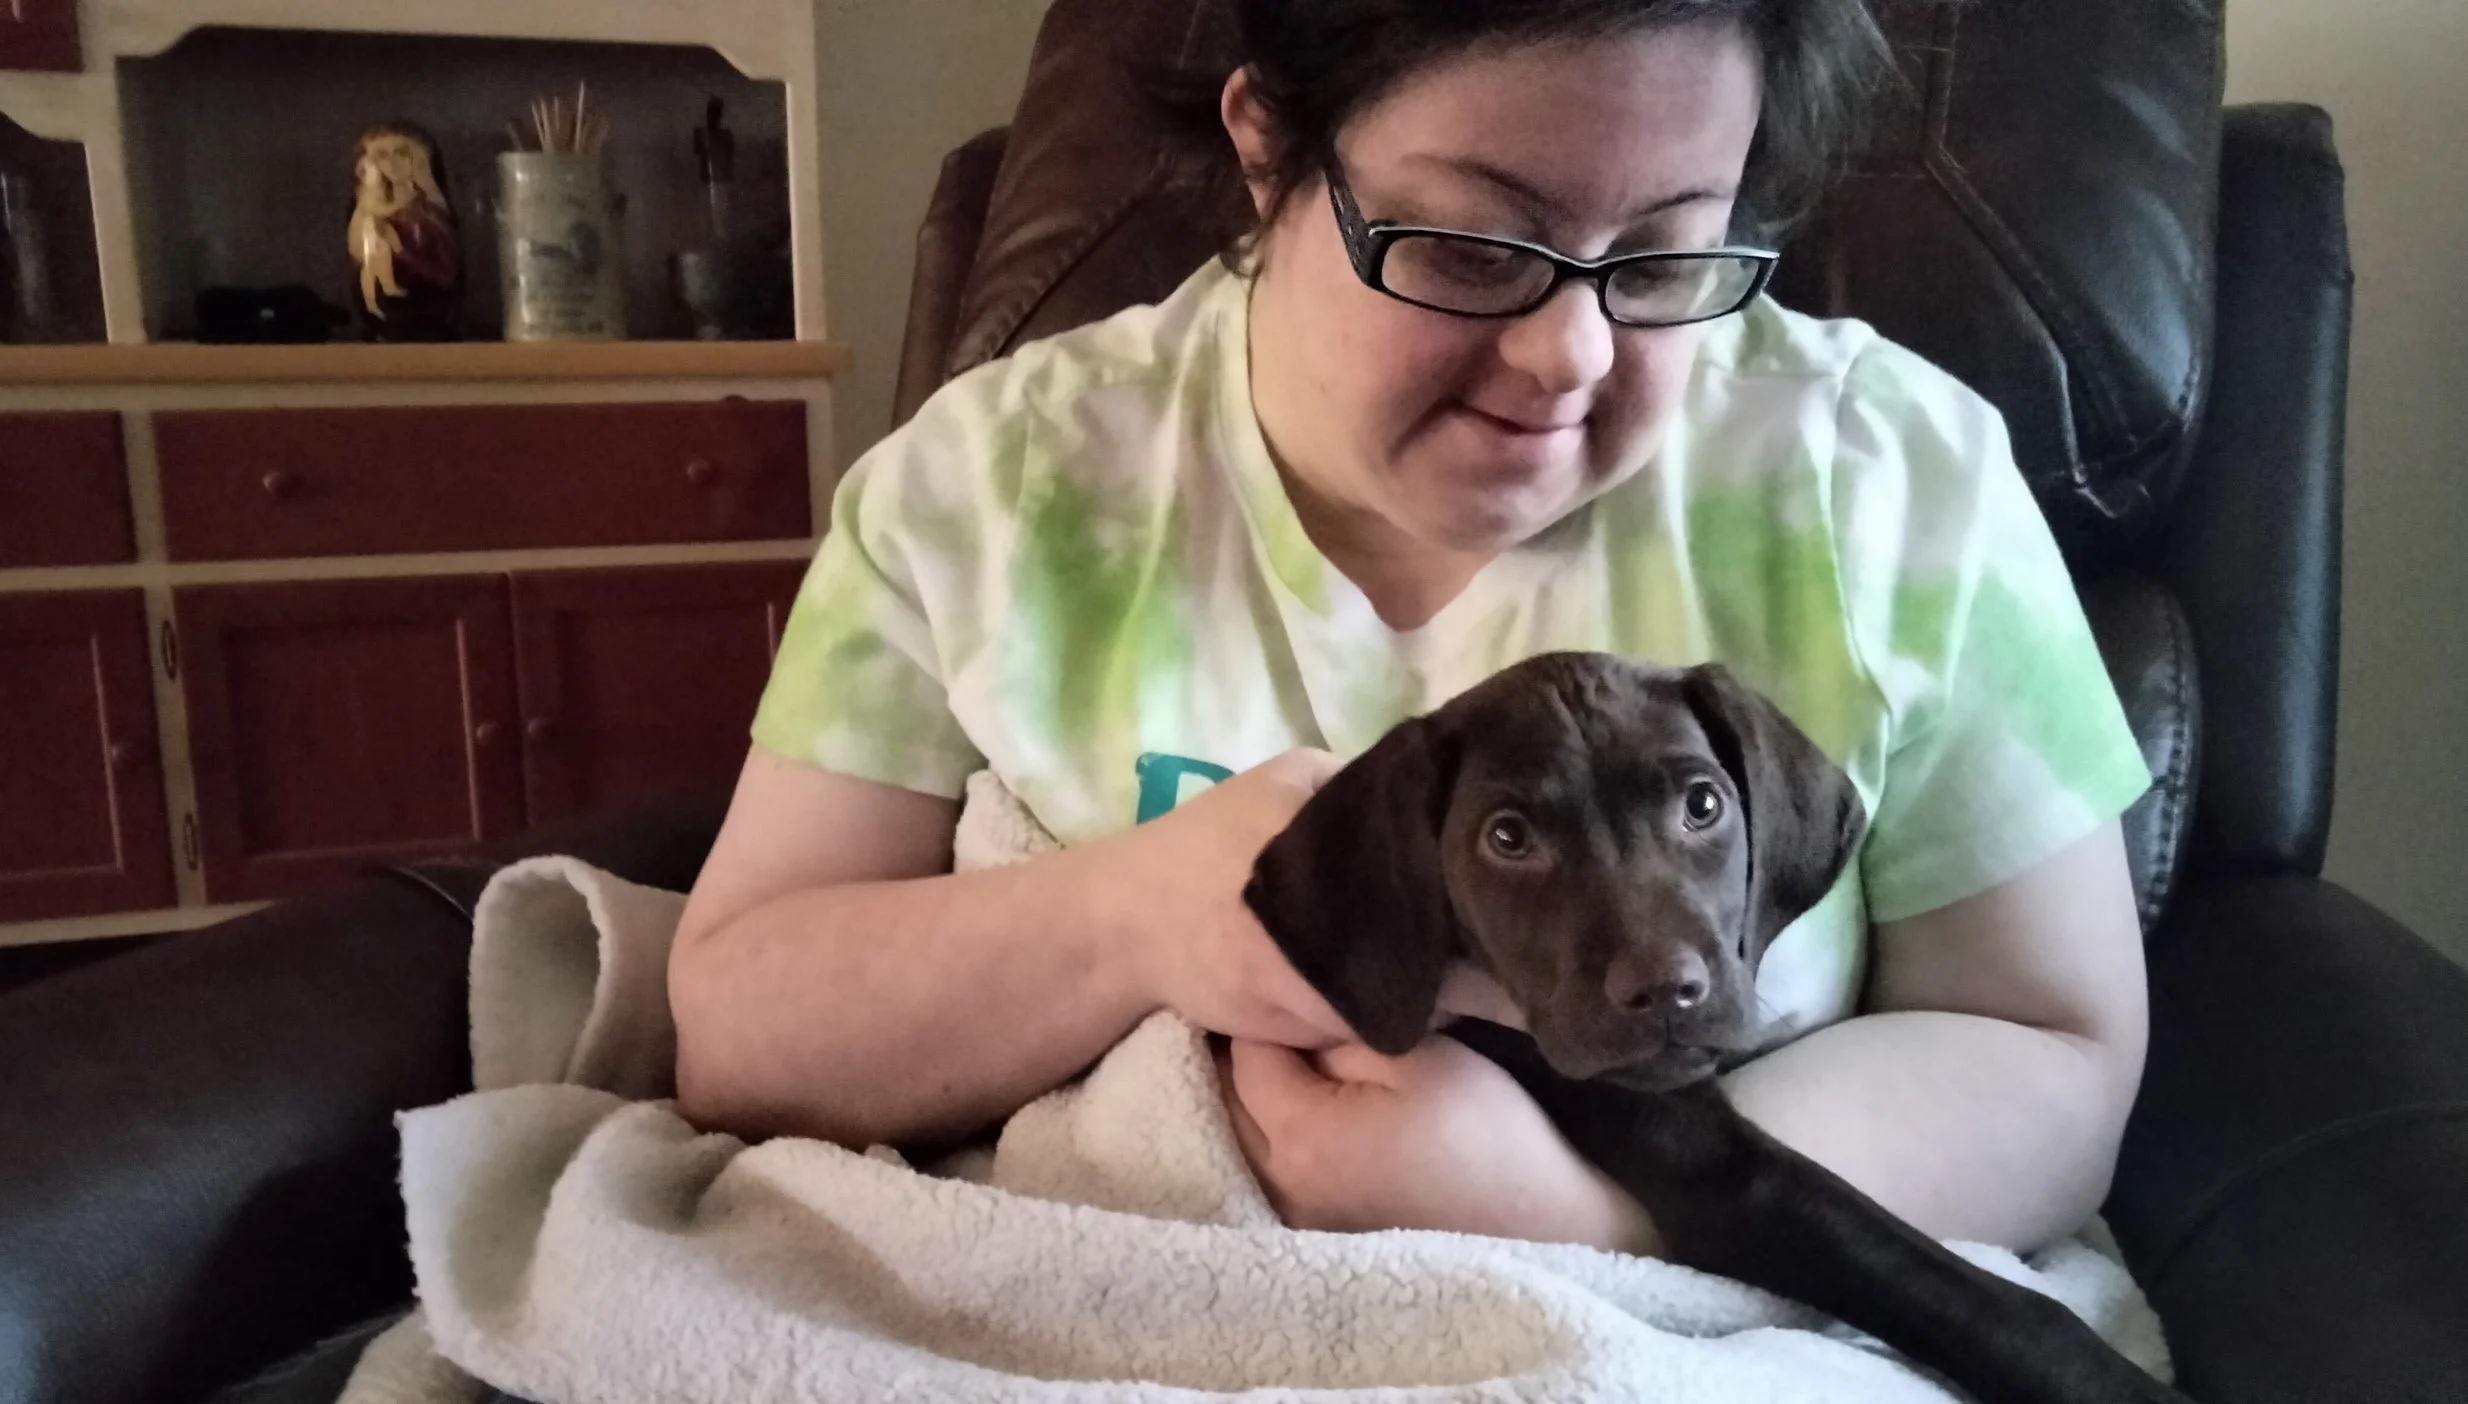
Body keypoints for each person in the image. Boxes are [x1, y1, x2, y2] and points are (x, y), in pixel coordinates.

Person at [668, 0, 2154, 1260]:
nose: (1569, 354)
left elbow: (2051, 1057)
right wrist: (1131, 918)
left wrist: (1590, 1208)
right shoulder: (989, 493)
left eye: (1660, 259)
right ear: (1268, 148)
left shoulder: (1893, 484)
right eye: (1474, 246)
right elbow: (739, 1028)